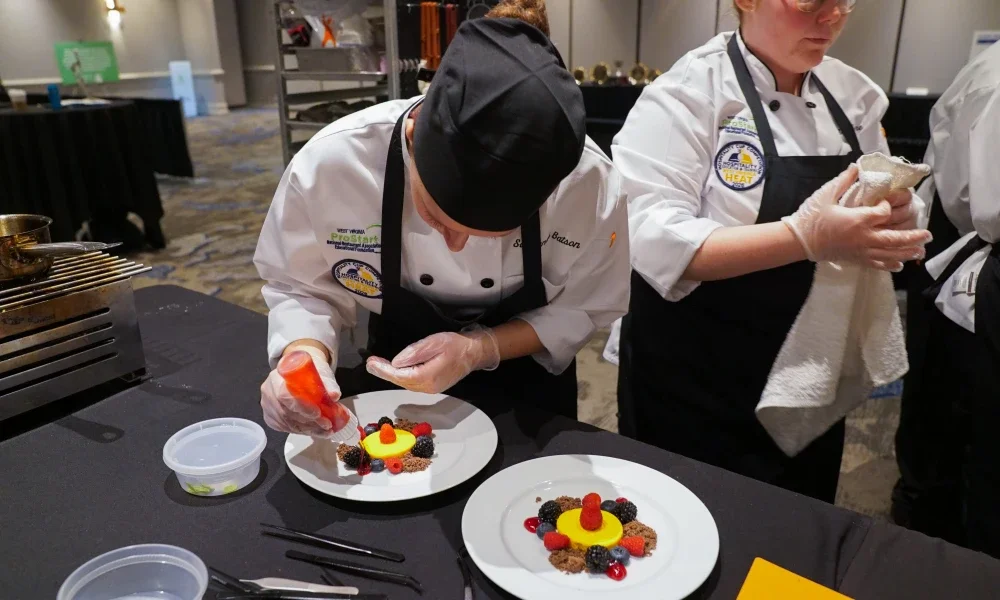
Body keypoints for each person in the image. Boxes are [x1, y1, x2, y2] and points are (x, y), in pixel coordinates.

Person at [254, 0, 629, 438]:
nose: (457, 246)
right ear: (413, 138)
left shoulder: (590, 184)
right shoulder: (333, 165)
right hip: (393, 377)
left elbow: (586, 304)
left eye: (494, 234)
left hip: (530, 389)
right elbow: (299, 283)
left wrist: (480, 348)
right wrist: (303, 352)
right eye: (437, 218)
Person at [608, 0, 932, 502]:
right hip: (695, 371)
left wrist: (897, 213)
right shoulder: (688, 94)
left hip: (809, 362)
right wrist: (804, 236)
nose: (833, 18)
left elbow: (878, 184)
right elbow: (650, 239)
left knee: (796, 523)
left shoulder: (852, 95)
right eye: (810, 3)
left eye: (844, 1)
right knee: (686, 519)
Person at [892, 40, 1000, 556]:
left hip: (969, 238)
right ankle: (923, 525)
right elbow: (970, 203)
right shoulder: (993, 77)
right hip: (963, 242)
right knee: (941, 402)